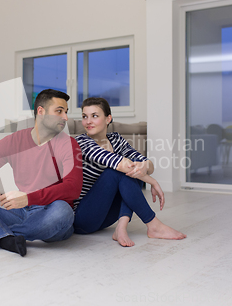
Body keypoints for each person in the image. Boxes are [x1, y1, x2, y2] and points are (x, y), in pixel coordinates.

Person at [0, 89, 83, 256]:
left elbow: (73, 188)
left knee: (63, 212)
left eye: (66, 112)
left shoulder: (68, 144)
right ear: (41, 111)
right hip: (18, 209)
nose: (65, 117)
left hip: (49, 212)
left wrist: (28, 198)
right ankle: (3, 237)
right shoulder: (13, 141)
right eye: (59, 111)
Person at [73, 97, 186, 247]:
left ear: (108, 118)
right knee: (116, 172)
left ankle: (121, 227)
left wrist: (145, 167)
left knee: (136, 171)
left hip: (105, 217)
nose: (88, 121)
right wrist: (152, 181)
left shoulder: (116, 139)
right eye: (84, 116)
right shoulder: (81, 142)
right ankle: (154, 225)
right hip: (83, 219)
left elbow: (146, 163)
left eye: (94, 116)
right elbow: (118, 163)